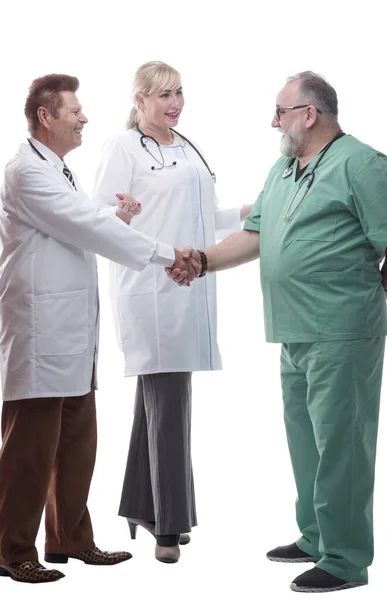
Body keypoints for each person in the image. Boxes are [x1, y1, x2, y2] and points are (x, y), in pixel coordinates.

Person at [171, 71, 387, 593]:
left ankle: (345, 559)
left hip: (342, 330)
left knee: (342, 445)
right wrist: (201, 260)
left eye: (281, 111)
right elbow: (255, 234)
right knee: (306, 442)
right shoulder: (286, 168)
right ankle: (316, 536)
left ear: (309, 115)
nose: (274, 121)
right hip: (293, 330)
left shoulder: (361, 164)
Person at [0, 73, 195, 584]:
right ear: (46, 117)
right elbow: (85, 226)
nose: (84, 117)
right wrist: (165, 252)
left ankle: (70, 539)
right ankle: (11, 549)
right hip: (40, 331)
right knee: (29, 447)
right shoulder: (27, 172)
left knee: (76, 440)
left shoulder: (58, 170)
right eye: (74, 111)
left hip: (71, 332)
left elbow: (86, 217)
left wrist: (118, 214)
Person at [93, 61, 251, 564]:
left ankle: (144, 505)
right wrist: (121, 214)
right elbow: (98, 215)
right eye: (162, 94)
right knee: (170, 401)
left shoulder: (187, 148)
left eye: (178, 92)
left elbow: (207, 214)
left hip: (191, 285)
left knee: (158, 402)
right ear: (139, 101)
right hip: (150, 289)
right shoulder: (121, 148)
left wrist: (250, 213)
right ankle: (171, 524)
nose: (174, 102)